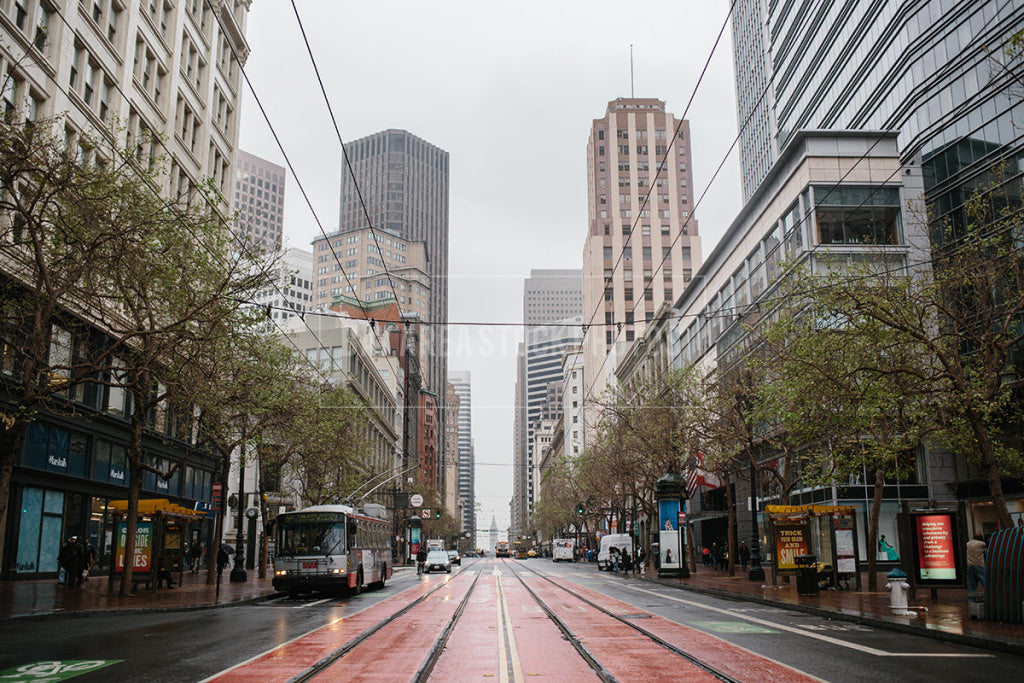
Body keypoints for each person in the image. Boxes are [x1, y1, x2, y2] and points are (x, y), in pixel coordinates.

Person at [966, 533, 986, 597]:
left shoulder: (968, 544)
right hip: (979, 565)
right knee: (985, 582)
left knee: (971, 584)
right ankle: (990, 596)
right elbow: (986, 552)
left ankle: (971, 599)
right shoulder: (982, 544)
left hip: (970, 565)